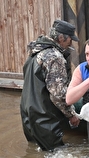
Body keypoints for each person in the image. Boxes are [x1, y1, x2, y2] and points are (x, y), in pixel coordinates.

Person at [20, 20, 80, 151]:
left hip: (27, 113)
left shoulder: (35, 51)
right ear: (60, 38)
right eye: (70, 39)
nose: (71, 43)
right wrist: (71, 115)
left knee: (34, 150)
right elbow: (58, 94)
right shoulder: (55, 57)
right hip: (45, 118)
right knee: (57, 152)